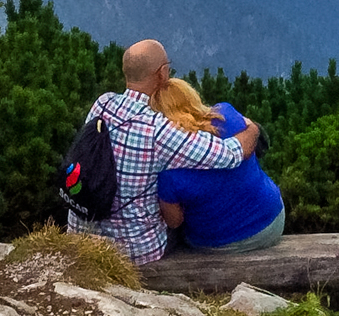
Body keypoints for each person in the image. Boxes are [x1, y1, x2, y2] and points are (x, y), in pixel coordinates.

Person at [67, 39, 260, 265]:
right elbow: (230, 154)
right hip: (131, 251)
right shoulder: (160, 130)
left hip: (80, 236)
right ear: (162, 73)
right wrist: (253, 129)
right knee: (182, 222)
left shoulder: (102, 103)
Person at [151, 78, 285, 252]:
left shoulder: (169, 173)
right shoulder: (226, 114)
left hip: (219, 243)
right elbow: (252, 130)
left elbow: (174, 221)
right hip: (272, 222)